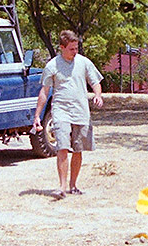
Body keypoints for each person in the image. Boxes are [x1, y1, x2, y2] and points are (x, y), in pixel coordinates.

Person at [33, 30, 104, 199]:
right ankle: (62, 186)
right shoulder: (52, 66)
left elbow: (95, 81)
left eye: (76, 48)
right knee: (62, 147)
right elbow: (44, 92)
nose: (75, 51)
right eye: (71, 48)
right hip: (61, 111)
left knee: (78, 149)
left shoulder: (84, 62)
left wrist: (98, 95)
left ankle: (73, 185)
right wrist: (37, 115)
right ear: (62, 47)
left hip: (80, 110)